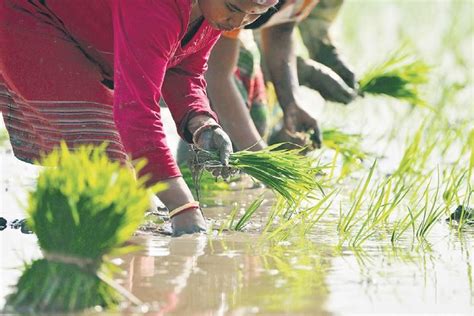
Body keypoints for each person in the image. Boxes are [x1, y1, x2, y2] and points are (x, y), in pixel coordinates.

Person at [0, 0, 278, 236]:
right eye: (233, 7)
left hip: (81, 35)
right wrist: (183, 207)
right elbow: (137, 111)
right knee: (113, 179)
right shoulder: (154, 6)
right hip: (32, 21)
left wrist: (202, 124)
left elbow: (184, 72)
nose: (238, 21)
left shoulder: (211, 15)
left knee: (139, 206)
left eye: (255, 14)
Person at [204, 0, 357, 152]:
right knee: (238, 79)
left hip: (226, 35)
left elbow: (281, 28)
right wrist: (260, 156)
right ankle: (197, 165)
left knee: (257, 118)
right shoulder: (235, 10)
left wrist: (291, 103)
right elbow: (218, 74)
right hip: (198, 33)